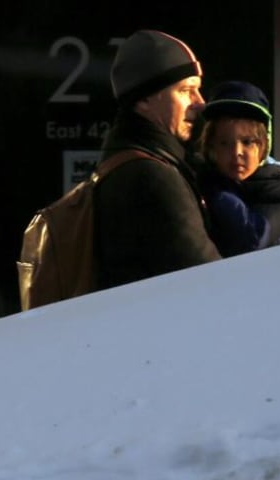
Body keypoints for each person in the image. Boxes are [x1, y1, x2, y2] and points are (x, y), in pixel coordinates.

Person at [94, 30, 221, 290]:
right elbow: (208, 280)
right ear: (145, 100)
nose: (200, 102)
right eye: (187, 90)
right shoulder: (153, 177)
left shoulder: (123, 161)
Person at [196, 81, 280, 257]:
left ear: (263, 145)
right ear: (211, 147)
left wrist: (216, 193)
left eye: (247, 142)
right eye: (225, 143)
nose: (236, 152)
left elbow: (253, 237)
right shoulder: (210, 178)